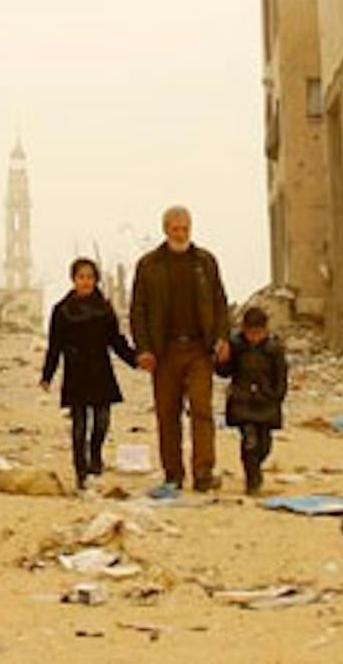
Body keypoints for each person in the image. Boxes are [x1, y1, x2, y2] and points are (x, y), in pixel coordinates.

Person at [127, 205, 230, 496]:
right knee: (167, 414)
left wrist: (222, 338)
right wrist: (143, 349)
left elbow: (220, 303)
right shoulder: (149, 266)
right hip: (164, 352)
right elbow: (139, 310)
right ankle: (173, 474)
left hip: (199, 349)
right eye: (175, 229)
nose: (181, 233)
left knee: (201, 411)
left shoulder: (205, 262)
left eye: (185, 228)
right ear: (166, 230)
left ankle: (203, 473)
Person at [39, 257, 137, 490]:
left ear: (95, 280)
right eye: (81, 277)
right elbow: (55, 346)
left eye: (90, 277)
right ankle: (80, 471)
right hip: (76, 371)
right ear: (73, 279)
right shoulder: (62, 310)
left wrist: (135, 360)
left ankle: (95, 455)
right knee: (79, 424)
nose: (85, 282)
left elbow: (115, 340)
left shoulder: (104, 308)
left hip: (100, 369)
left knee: (102, 421)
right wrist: (47, 376)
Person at [222, 304, 289, 494]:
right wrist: (221, 359)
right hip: (242, 402)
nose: (254, 337)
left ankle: (255, 469)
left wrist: (276, 397)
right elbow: (224, 372)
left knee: (264, 445)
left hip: (266, 403)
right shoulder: (236, 346)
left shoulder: (274, 349)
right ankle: (252, 480)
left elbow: (281, 376)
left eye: (258, 333)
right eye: (250, 332)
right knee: (249, 441)